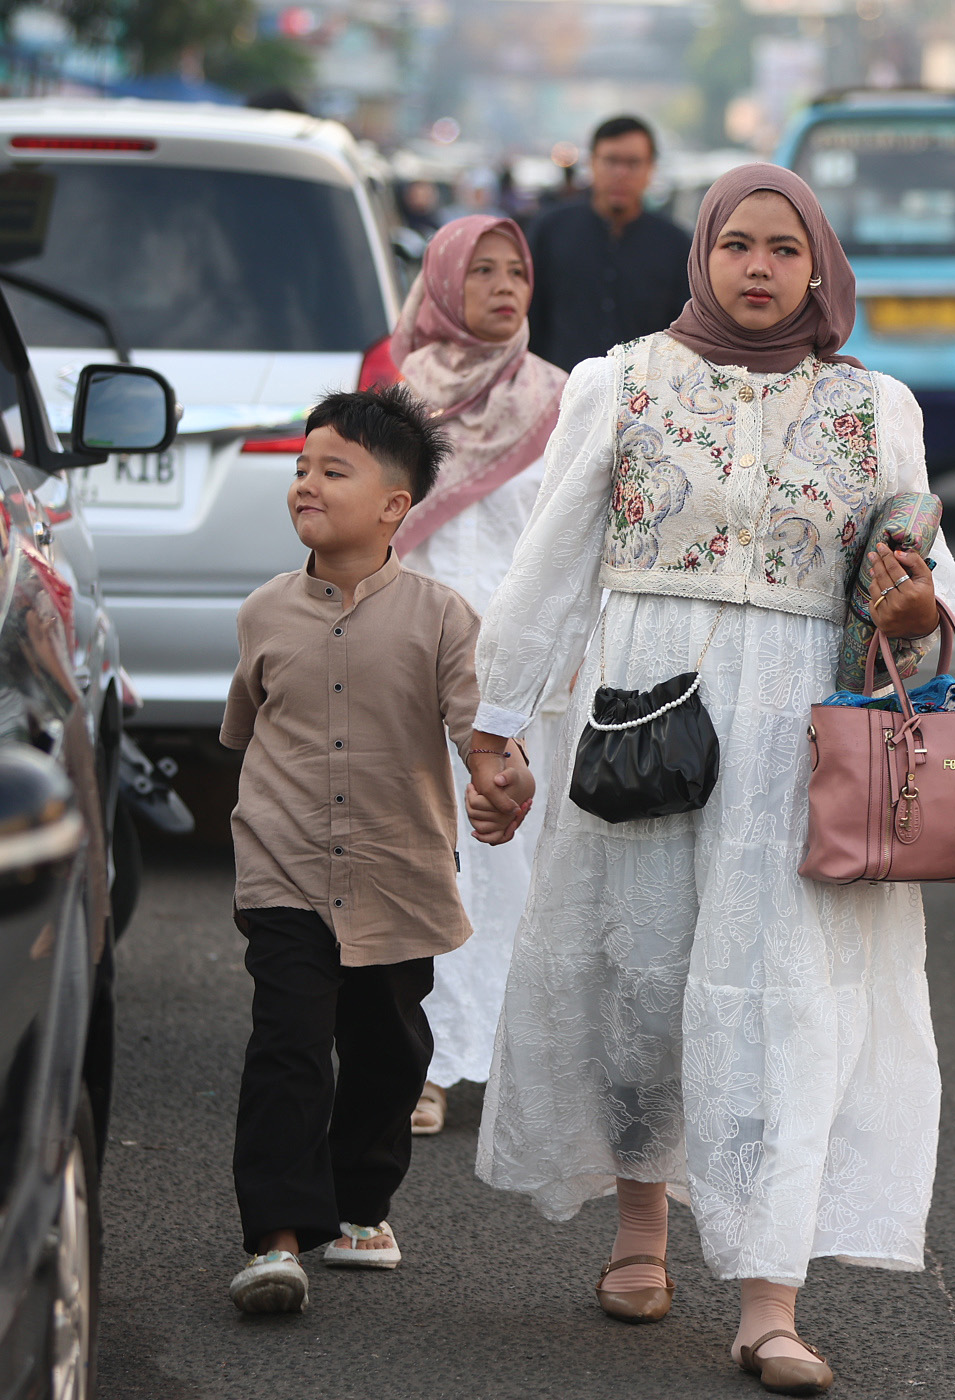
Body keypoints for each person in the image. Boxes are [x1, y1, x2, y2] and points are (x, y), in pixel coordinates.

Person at [461, 165, 955, 1395]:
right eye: (737, 243)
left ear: (819, 268)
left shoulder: (877, 409)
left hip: (803, 734)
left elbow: (930, 597)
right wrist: (496, 728)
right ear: (703, 256)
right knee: (639, 969)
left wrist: (910, 604)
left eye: (783, 249)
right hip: (645, 705)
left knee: (783, 998)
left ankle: (768, 1298)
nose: (758, 267)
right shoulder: (622, 381)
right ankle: (640, 1232)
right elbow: (551, 566)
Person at [220, 385, 501, 1315]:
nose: (306, 482)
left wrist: (503, 776)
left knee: (388, 1051)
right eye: (301, 467)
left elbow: (475, 729)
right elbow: (245, 731)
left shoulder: (441, 616)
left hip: (396, 870)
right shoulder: (262, 612)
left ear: (395, 505)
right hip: (285, 863)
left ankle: (359, 1205)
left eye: (332, 470)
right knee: (289, 1047)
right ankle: (276, 1236)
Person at [389, 215, 573, 1135]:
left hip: (516, 673)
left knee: (510, 872)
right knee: (423, 863)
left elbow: (576, 546)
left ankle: (484, 1057)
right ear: (443, 281)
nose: (504, 287)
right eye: (483, 271)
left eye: (518, 272)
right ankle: (416, 1057)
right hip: (408, 663)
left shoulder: (563, 401)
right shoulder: (397, 398)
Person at [524, 115, 691, 372]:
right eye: (611, 161)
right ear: (592, 163)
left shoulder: (676, 244)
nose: (621, 173)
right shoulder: (550, 230)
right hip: (558, 392)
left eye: (633, 163)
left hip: (643, 399)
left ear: (651, 169)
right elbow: (530, 315)